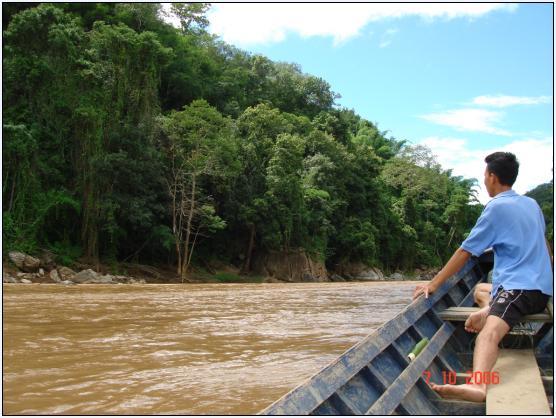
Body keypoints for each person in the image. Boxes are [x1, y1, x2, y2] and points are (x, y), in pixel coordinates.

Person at [412, 151, 553, 402]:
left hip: (520, 290)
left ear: (492, 177)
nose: (484, 180)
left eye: (485, 175)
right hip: (538, 288)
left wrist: (434, 284)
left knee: (488, 334)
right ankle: (489, 309)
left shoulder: (496, 208)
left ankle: (478, 386)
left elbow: (465, 251)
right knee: (480, 291)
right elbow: (545, 247)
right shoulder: (532, 204)